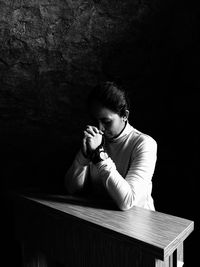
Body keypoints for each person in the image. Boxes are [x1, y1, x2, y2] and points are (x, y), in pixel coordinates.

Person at [65, 81, 157, 211]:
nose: (100, 128)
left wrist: (98, 155)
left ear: (124, 116)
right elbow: (72, 189)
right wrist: (83, 158)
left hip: (139, 224)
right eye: (95, 121)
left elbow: (127, 201)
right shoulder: (96, 139)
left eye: (106, 121)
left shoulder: (144, 144)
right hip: (104, 219)